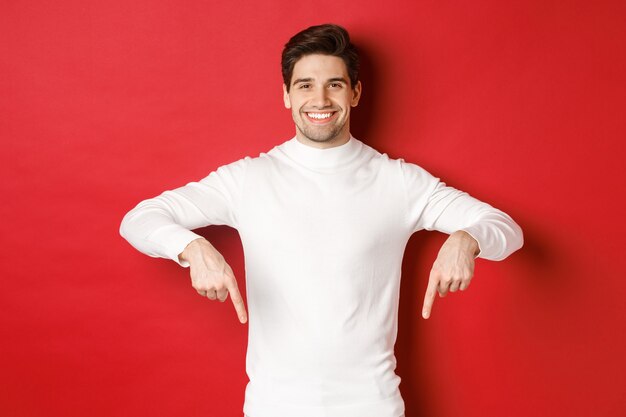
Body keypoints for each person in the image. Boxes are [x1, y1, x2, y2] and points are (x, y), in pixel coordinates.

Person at [120, 23, 523, 417]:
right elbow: (139, 219)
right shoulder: (248, 179)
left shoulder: (399, 181)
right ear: (286, 95)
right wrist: (191, 248)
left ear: (355, 93)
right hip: (273, 407)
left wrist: (466, 239)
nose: (320, 99)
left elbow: (507, 230)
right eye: (305, 85)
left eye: (334, 84)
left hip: (373, 406)